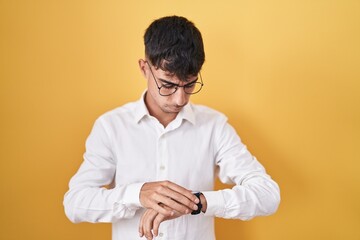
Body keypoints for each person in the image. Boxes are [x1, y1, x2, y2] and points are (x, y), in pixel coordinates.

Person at [63, 15, 280, 240]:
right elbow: (75, 203)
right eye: (167, 85)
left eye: (190, 85)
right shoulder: (111, 126)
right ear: (144, 68)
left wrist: (196, 202)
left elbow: (267, 194)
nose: (179, 99)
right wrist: (137, 194)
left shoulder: (215, 126)